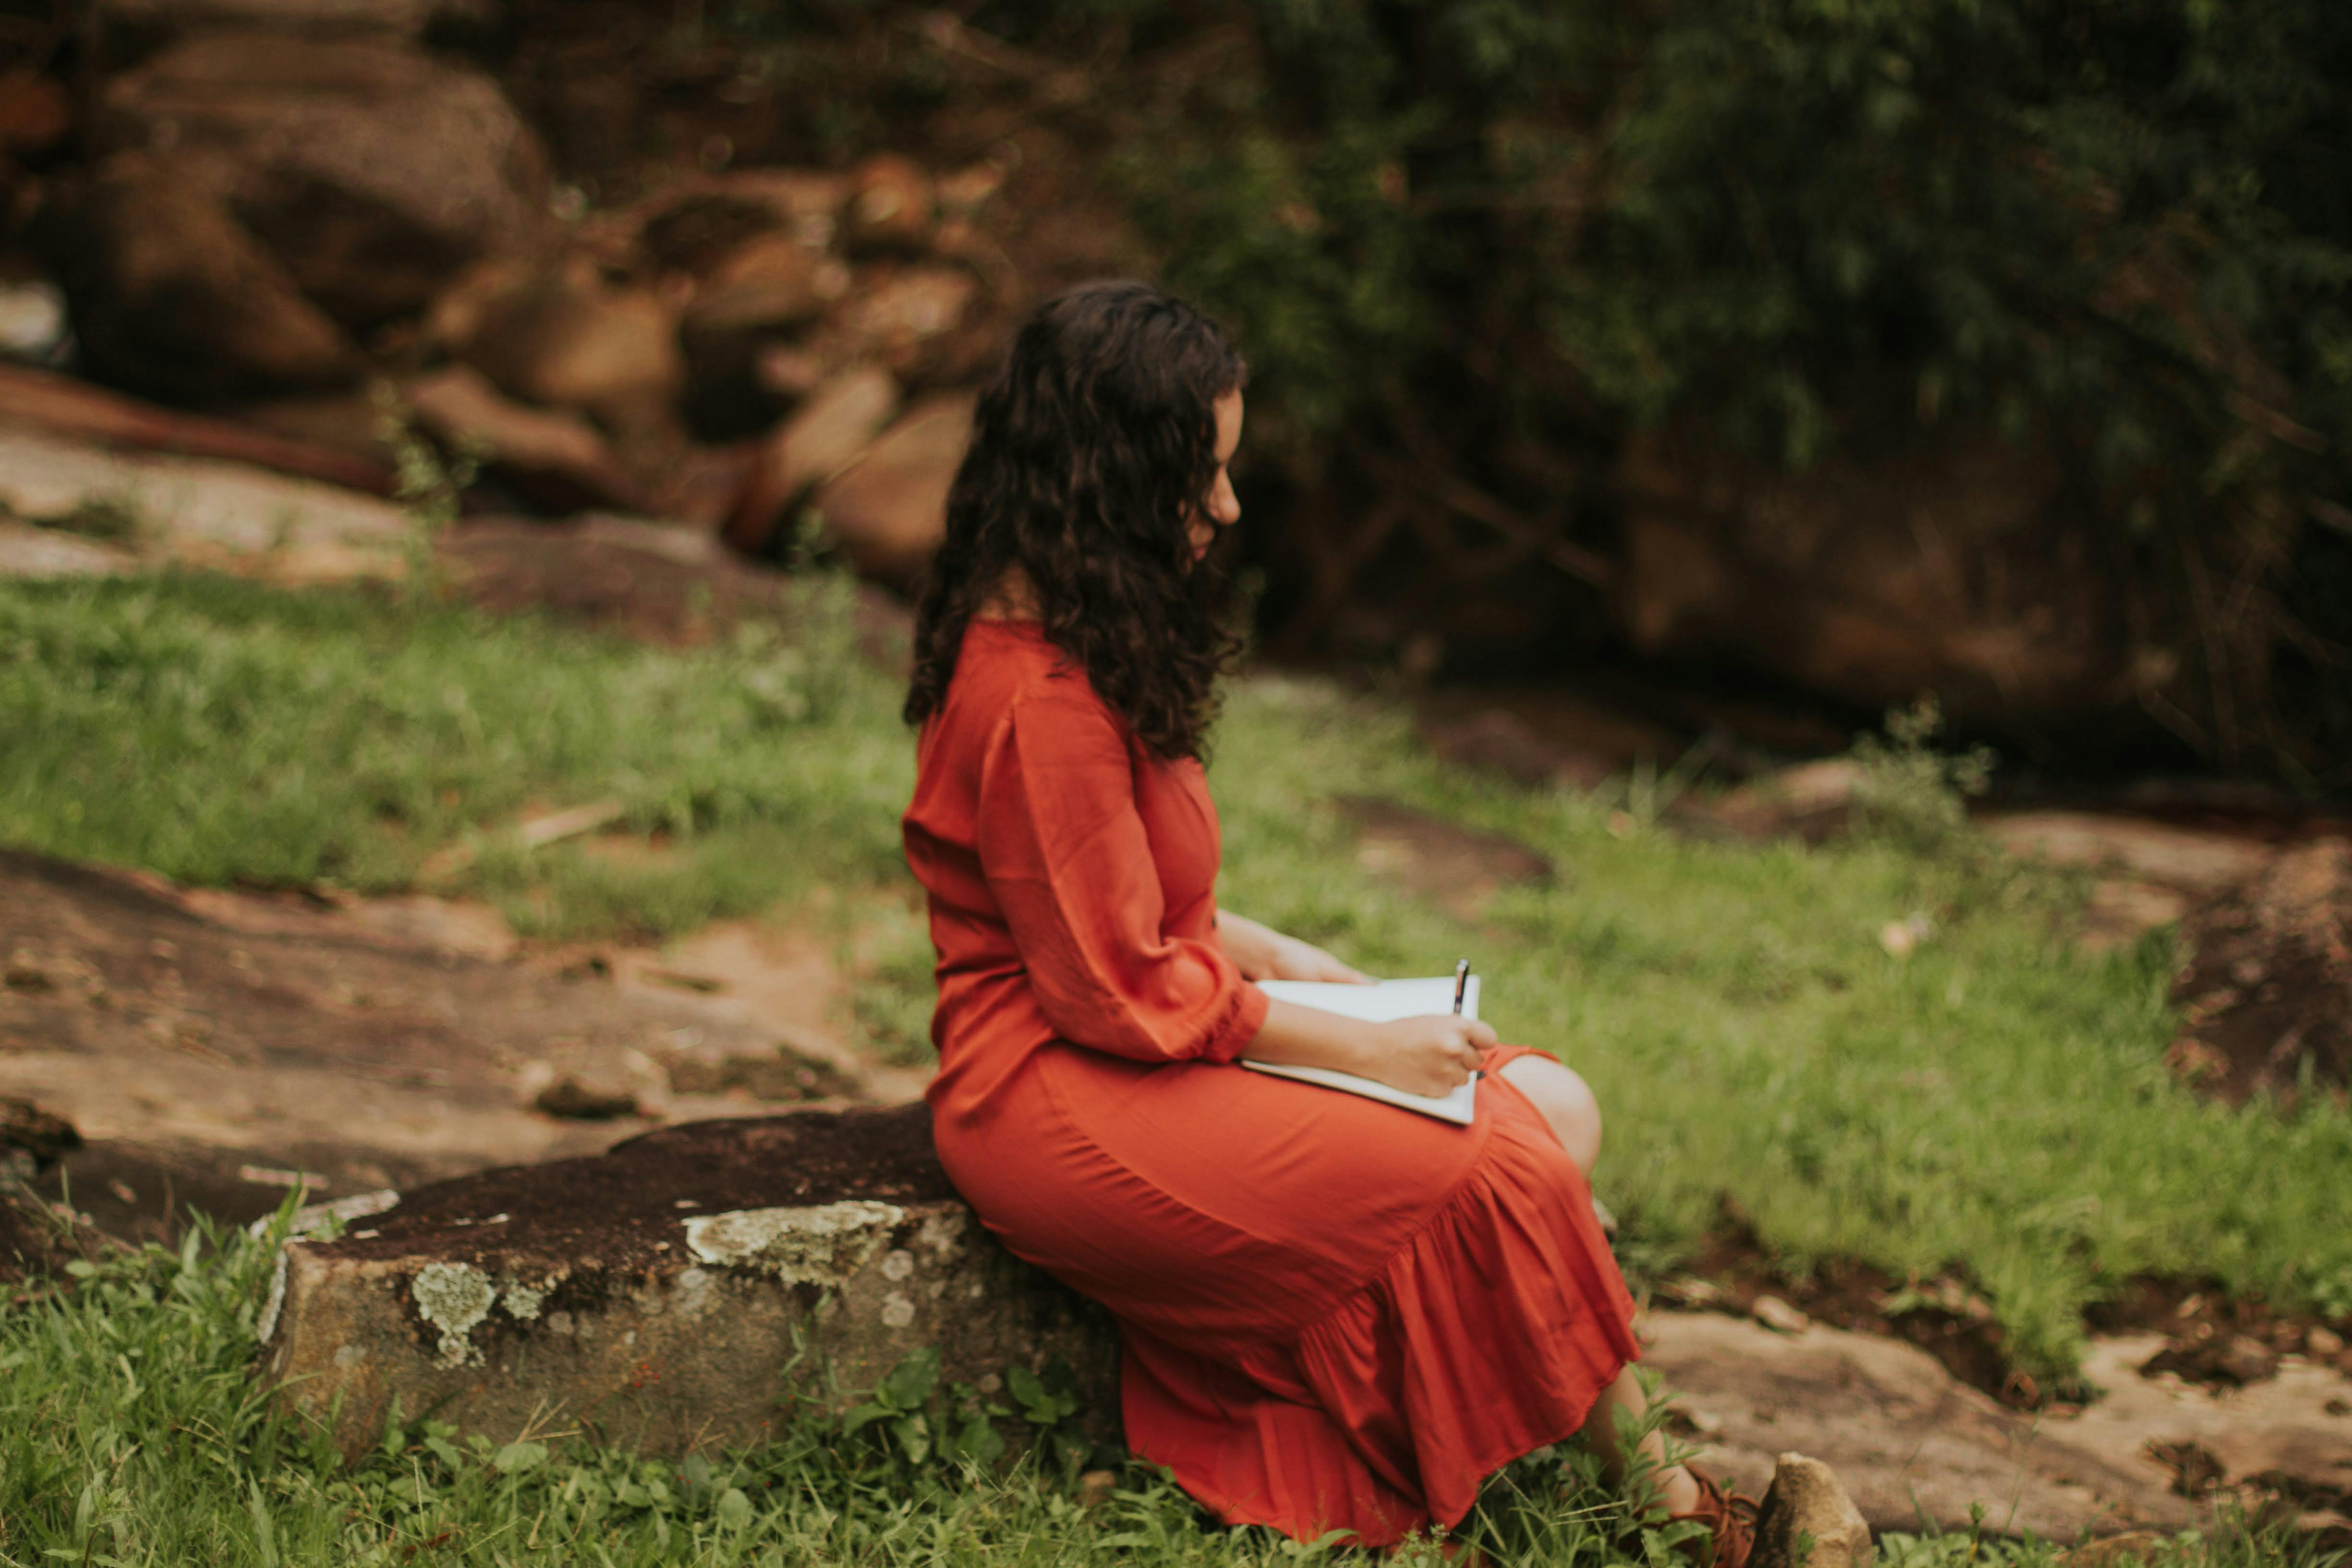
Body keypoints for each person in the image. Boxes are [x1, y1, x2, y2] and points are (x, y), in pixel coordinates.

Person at [900, 280, 1754, 1560]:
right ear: (1112, 474)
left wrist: (1290, 960)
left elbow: (1106, 902)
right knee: (1499, 1163)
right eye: (1205, 475)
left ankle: (1524, 1431)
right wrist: (1355, 1044)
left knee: (1551, 1106)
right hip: (1054, 1085)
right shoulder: (1042, 696)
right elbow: (1108, 988)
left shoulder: (1075, 638)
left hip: (1128, 1023)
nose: (1228, 508)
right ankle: (1669, 1510)